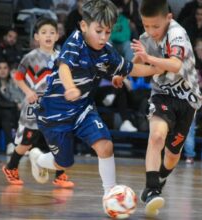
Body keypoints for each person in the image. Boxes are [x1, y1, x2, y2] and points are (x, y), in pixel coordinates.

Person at [28, 0, 163, 209]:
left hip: (83, 109)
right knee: (63, 163)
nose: (103, 37)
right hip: (54, 114)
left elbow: (128, 69)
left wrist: (156, 69)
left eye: (108, 32)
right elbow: (64, 67)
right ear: (84, 26)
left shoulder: (107, 52)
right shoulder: (75, 41)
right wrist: (70, 87)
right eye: (99, 31)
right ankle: (38, 159)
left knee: (106, 146)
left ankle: (110, 194)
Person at [131, 0, 202, 216]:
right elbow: (137, 63)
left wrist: (148, 59)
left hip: (187, 99)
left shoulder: (177, 33)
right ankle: (152, 189)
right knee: (156, 136)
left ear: (169, 19)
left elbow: (175, 64)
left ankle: (159, 179)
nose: (151, 31)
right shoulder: (146, 39)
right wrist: (120, 73)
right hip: (162, 94)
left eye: (156, 26)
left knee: (173, 155)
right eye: (146, 26)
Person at [2, 18, 73, 188]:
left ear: (57, 36)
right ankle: (11, 167)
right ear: (36, 37)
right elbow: (18, 77)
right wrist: (28, 92)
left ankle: (60, 174)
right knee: (27, 140)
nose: (48, 35)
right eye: (43, 32)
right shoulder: (30, 57)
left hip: (55, 106)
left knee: (59, 139)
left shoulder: (61, 57)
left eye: (52, 32)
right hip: (34, 105)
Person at [0, 59, 23, 155]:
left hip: (13, 110)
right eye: (0, 68)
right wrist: (15, 104)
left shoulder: (11, 82)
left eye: (5, 68)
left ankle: (22, 144)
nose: (2, 70)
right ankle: (10, 144)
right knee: (6, 113)